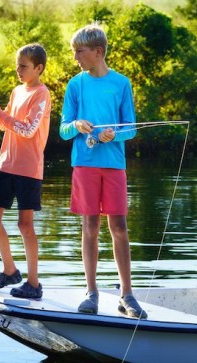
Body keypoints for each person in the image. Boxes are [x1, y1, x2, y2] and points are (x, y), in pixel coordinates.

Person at [58, 23, 147, 319]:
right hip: (84, 164)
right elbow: (63, 130)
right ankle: (91, 293)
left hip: (113, 166)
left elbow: (130, 128)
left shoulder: (121, 83)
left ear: (97, 51)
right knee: (90, 228)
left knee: (119, 227)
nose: (75, 57)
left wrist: (114, 134)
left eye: (79, 51)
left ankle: (127, 295)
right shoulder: (76, 85)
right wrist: (77, 125)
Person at [0, 43, 51, 299]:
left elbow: (28, 130)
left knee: (24, 225)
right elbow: (5, 125)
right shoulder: (17, 90)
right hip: (5, 163)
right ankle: (10, 271)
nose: (18, 70)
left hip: (28, 168)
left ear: (38, 68)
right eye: (17, 65)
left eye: (23, 66)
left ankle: (33, 283)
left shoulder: (42, 94)